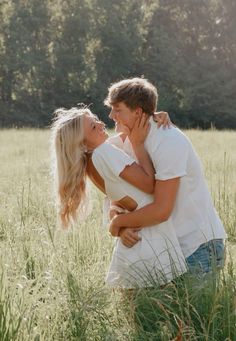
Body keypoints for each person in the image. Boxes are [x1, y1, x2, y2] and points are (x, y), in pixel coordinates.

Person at [51, 106, 186, 288]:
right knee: (162, 302)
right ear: (82, 144)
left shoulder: (93, 160)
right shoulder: (105, 153)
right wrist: (138, 145)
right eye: (93, 127)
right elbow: (149, 185)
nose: (100, 124)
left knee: (141, 306)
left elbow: (117, 198)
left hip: (134, 235)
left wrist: (150, 118)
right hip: (147, 235)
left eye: (96, 119)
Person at [106, 77, 227, 275]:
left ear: (138, 112)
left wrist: (117, 224)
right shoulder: (124, 142)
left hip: (197, 249)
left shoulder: (169, 140)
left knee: (196, 308)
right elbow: (118, 195)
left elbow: (162, 210)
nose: (111, 115)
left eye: (117, 109)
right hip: (164, 250)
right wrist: (120, 224)